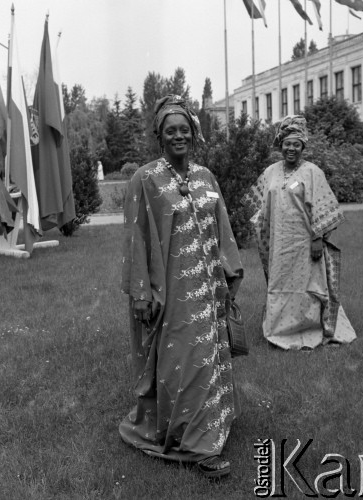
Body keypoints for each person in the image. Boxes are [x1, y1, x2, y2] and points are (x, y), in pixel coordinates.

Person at [119, 94, 243, 478]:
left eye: (184, 129)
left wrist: (230, 273)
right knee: (184, 361)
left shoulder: (205, 177)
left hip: (209, 289)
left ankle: (209, 428)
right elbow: (136, 239)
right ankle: (195, 447)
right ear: (160, 136)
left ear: (194, 133)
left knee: (207, 358)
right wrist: (142, 293)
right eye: (171, 130)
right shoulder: (145, 179)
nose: (179, 136)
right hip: (170, 292)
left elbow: (222, 227)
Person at [241, 115, 356, 350]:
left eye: (296, 144)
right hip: (279, 245)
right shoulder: (271, 172)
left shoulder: (313, 172)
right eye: (287, 143)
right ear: (280, 145)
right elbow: (256, 206)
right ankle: (278, 331)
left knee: (308, 287)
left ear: (303, 146)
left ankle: (310, 328)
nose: (291, 148)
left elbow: (324, 207)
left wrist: (317, 239)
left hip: (304, 243)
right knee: (280, 286)